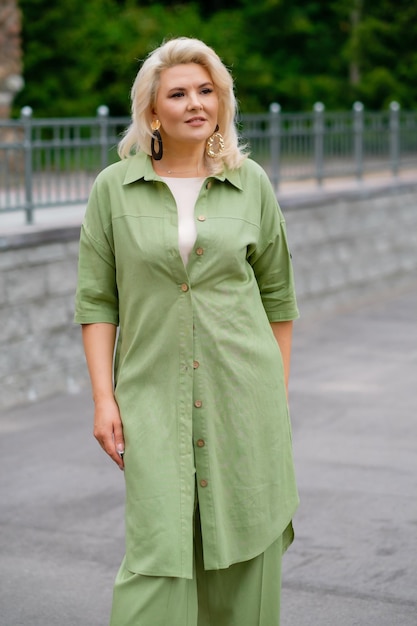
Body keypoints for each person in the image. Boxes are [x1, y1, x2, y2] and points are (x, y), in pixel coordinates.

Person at [75, 36, 299, 626]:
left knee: (245, 547)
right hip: (151, 395)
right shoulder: (112, 190)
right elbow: (98, 301)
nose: (196, 103)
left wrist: (274, 393)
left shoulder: (251, 183)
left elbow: (278, 297)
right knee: (157, 550)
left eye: (208, 91)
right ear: (153, 110)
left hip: (244, 393)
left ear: (222, 103)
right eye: (178, 93)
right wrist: (105, 399)